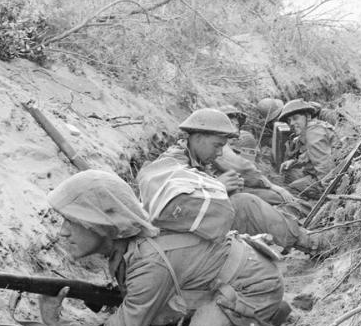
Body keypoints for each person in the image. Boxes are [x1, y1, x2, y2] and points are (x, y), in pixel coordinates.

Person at [38, 170, 285, 326]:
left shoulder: (150, 263)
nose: (63, 231)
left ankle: (258, 322)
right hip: (228, 272)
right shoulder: (130, 245)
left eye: (73, 221)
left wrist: (58, 323)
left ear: (104, 223)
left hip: (255, 284)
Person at [137, 108, 331, 255]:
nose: (220, 152)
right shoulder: (172, 160)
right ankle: (312, 243)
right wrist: (217, 186)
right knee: (245, 204)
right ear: (198, 137)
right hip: (174, 245)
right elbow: (160, 193)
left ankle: (295, 234)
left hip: (193, 234)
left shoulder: (193, 156)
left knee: (248, 201)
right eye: (217, 145)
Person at [279, 99, 337, 200]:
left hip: (333, 178)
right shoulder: (313, 128)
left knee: (292, 189)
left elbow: (325, 167)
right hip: (333, 172)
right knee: (290, 174)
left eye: (295, 118)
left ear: (308, 116)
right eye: (289, 120)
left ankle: (308, 208)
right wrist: (294, 162)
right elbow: (313, 153)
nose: (292, 123)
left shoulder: (313, 132)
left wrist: (329, 192)